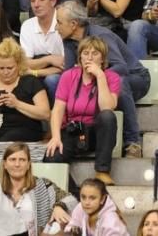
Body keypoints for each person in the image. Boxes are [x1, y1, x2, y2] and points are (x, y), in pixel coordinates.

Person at [55, 1, 151, 158]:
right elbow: (71, 72)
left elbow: (121, 67)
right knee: (56, 81)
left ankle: (132, 142)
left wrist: (97, 75)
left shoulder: (101, 36)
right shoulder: (68, 39)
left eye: (59, 23)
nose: (55, 27)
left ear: (73, 24)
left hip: (136, 77)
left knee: (120, 82)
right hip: (96, 79)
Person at [45, 36, 121, 186]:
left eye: (95, 53)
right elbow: (58, 109)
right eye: (86, 53)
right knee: (51, 157)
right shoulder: (69, 76)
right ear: (80, 57)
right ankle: (75, 194)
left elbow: (107, 107)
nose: (90, 57)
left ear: (103, 58)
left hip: (95, 132)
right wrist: (55, 136)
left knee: (108, 116)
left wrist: (100, 76)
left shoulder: (112, 77)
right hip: (73, 130)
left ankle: (102, 171)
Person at [0, 38, 49, 143]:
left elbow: (45, 114)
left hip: (25, 130)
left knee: (5, 143)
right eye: (1, 68)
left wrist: (17, 104)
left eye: (10, 68)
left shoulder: (31, 82)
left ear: (19, 65)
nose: (5, 72)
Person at [0, 143, 77, 236]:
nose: (17, 164)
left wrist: (59, 206)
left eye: (22, 160)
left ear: (28, 165)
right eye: (12, 160)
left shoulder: (43, 185)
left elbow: (72, 201)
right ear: (5, 164)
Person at [19, 0, 66, 92]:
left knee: (52, 80)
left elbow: (66, 65)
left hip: (65, 76)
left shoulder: (63, 22)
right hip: (37, 76)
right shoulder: (27, 25)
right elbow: (26, 64)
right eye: (33, 0)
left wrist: (34, 71)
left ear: (53, 1)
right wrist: (50, 59)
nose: (36, 4)